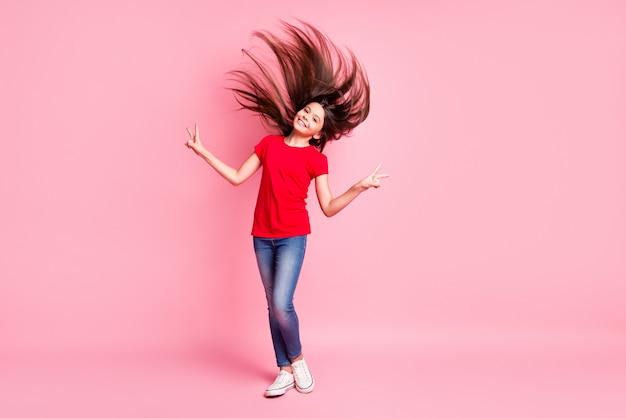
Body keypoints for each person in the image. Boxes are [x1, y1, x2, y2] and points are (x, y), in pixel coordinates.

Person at [185, 21, 388, 397]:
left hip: (293, 236)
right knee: (270, 306)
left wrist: (359, 187)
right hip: (261, 236)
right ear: (297, 112)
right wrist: (203, 151)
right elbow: (235, 176)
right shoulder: (267, 144)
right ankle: (283, 369)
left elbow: (327, 207)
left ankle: (296, 360)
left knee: (282, 302)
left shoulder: (315, 160)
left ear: (318, 133)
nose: (307, 117)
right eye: (307, 111)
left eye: (315, 119)